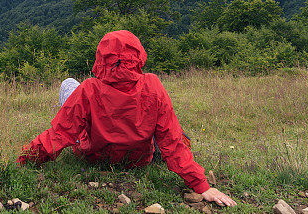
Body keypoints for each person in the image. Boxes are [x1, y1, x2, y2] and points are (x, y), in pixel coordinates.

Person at [16, 30, 237, 207]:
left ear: (102, 59)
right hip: (139, 159)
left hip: (95, 156)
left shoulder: (89, 89)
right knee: (174, 135)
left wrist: (24, 159)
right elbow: (172, 141)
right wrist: (201, 185)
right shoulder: (153, 85)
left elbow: (60, 134)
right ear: (138, 56)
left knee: (68, 84)